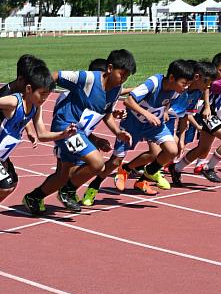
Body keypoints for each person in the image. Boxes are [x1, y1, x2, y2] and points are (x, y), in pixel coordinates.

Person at [0, 64, 77, 233]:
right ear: (29, 88)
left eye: (48, 95)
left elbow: (42, 134)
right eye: (42, 94)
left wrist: (62, 134)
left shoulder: (36, 107)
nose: (44, 99)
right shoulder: (13, 101)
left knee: (12, 182)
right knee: (5, 185)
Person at [21, 50, 135, 216]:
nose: (123, 79)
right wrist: (37, 96)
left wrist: (117, 132)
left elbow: (107, 114)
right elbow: (56, 75)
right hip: (65, 127)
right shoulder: (87, 78)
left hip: (81, 132)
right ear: (110, 68)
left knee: (62, 175)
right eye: (121, 74)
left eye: (127, 77)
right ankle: (68, 191)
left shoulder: (117, 89)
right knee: (97, 163)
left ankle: (34, 197)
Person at [112, 60, 193, 194]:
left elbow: (167, 102)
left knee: (172, 150)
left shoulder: (177, 91)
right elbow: (128, 101)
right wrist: (147, 114)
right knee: (115, 160)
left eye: (188, 85)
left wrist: (165, 112)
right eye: (184, 84)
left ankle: (141, 179)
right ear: (172, 78)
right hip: (133, 123)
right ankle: (96, 185)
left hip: (153, 126)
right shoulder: (154, 82)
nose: (185, 87)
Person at [188, 52, 221, 173]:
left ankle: (199, 165)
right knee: (183, 140)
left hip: (207, 113)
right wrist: (206, 106)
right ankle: (168, 163)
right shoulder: (206, 80)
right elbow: (206, 89)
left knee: (206, 143)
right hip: (195, 111)